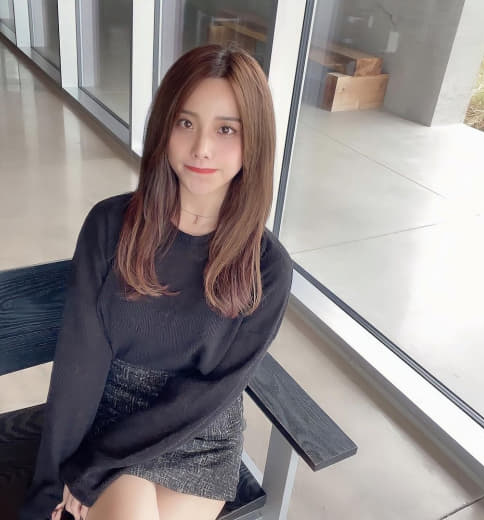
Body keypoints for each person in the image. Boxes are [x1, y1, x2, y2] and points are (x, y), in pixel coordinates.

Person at [19, 43, 293, 520]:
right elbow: (78, 364)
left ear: (255, 141)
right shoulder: (110, 227)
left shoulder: (267, 267)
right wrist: (50, 487)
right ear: (164, 126)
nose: (201, 147)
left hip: (198, 436)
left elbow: (214, 392)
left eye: (226, 129)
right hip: (107, 420)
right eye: (185, 123)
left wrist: (94, 470)